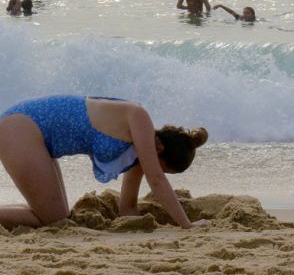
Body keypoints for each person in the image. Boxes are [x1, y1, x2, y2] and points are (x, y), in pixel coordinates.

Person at [0, 95, 206, 229]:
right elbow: (157, 179)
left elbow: (127, 209)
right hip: (21, 127)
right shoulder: (138, 116)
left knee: (60, 216)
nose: (152, 167)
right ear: (160, 149)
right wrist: (187, 225)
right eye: (162, 167)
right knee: (52, 221)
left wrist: (143, 229)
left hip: (37, 138)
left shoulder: (136, 154)